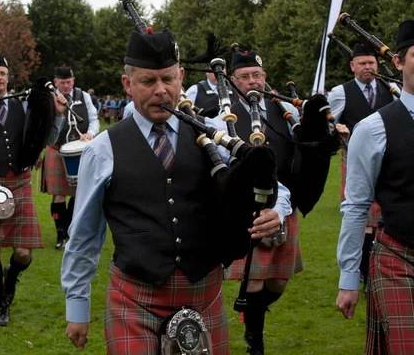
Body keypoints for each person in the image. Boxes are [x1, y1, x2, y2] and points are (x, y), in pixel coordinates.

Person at [61, 29, 289, 354]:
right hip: (134, 298)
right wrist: (77, 307)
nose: (161, 91)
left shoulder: (216, 135)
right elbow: (84, 235)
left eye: (168, 79)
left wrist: (274, 211)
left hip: (203, 293)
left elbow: (267, 181)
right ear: (128, 85)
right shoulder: (102, 150)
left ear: (181, 77)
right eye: (147, 81)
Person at [0, 55, 66, 326]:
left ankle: (12, 274)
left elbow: (46, 140)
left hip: (19, 183)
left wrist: (59, 117)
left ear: (8, 76)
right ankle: (1, 303)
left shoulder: (24, 105)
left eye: (3, 73)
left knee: (24, 252)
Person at [336, 19, 414, 354]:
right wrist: (349, 278)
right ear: (398, 62)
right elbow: (356, 206)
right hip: (399, 259)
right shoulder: (373, 128)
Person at [217, 51, 302, 355]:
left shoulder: (285, 112)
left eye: (257, 75)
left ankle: (251, 311)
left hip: (285, 206)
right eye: (245, 76)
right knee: (253, 282)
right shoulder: (222, 118)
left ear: (265, 77)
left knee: (279, 281)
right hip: (247, 212)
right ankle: (255, 340)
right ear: (233, 81)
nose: (252, 81)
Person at [328, 43, 398, 290]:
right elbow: (328, 123)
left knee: (382, 216)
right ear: (352, 66)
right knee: (362, 214)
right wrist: (335, 129)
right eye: (363, 63)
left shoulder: (391, 88)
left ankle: (378, 267)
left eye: (372, 63)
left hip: (390, 160)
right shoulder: (340, 93)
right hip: (355, 157)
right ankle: (364, 273)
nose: (368, 67)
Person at [41, 66, 99, 249]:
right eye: (62, 82)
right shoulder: (48, 98)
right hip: (56, 149)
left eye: (68, 82)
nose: (66, 86)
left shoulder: (84, 96)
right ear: (55, 82)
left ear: (73, 81)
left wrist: (90, 134)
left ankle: (70, 229)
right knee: (58, 195)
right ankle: (60, 234)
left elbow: (94, 118)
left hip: (79, 150)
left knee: (78, 194)